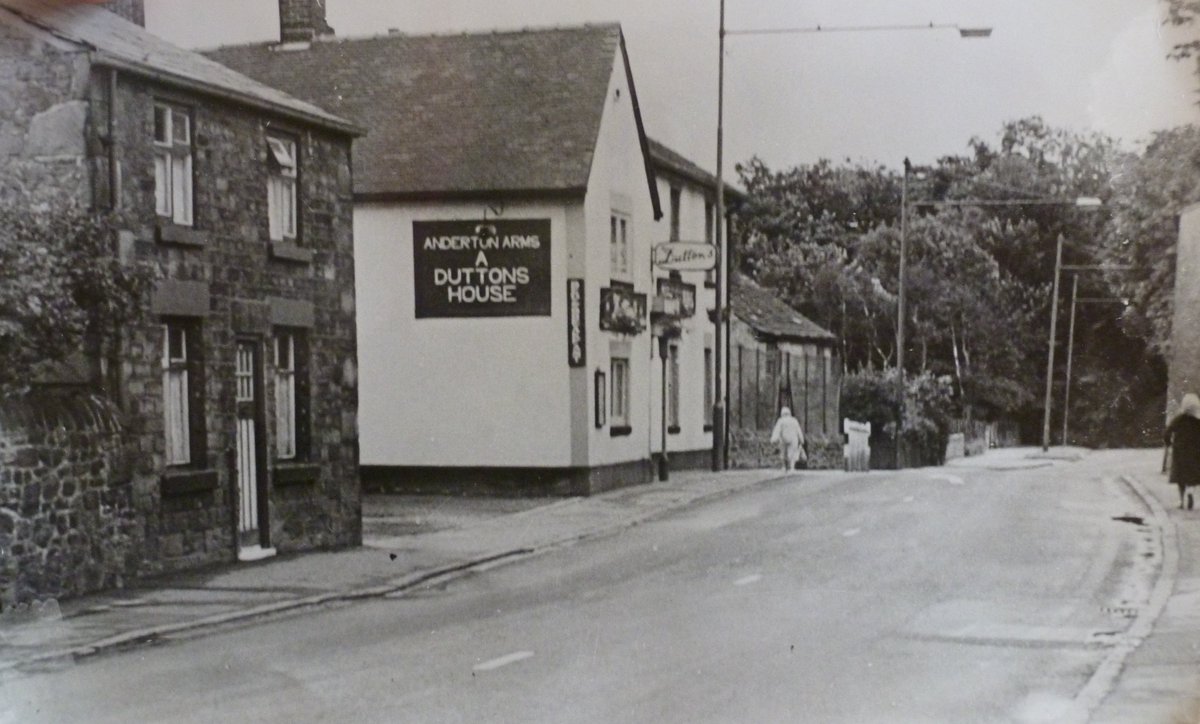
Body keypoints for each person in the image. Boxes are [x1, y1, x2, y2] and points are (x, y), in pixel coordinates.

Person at [1165, 392, 1200, 509]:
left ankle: (1181, 500)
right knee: (1193, 474)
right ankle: (1190, 491)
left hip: (1180, 450)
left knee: (1180, 476)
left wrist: (1169, 444)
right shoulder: (1197, 421)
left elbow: (1167, 432)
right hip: (1195, 451)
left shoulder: (1179, 419)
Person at [770, 406, 806, 472]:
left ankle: (784, 467)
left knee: (783, 453)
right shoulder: (794, 420)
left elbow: (777, 430)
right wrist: (801, 440)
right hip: (793, 439)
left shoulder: (781, 421)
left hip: (783, 439)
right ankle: (792, 467)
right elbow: (798, 431)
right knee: (792, 453)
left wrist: (773, 439)